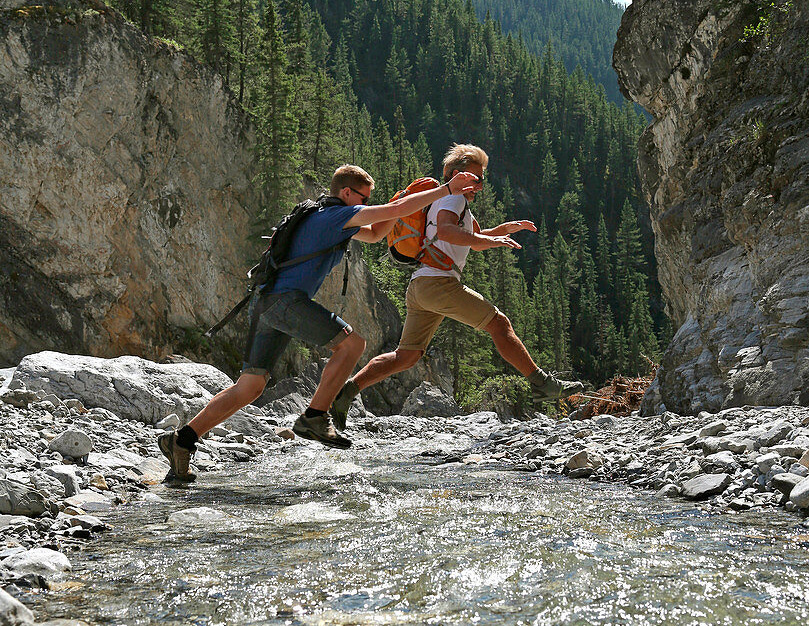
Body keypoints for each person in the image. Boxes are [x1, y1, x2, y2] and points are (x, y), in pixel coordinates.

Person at [158, 163, 480, 480]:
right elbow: (385, 214)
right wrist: (445, 191)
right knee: (352, 344)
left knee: (250, 386)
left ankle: (182, 440)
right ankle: (314, 416)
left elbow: (379, 230)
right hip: (286, 302)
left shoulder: (325, 216)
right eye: (363, 199)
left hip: (267, 302)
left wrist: (401, 204)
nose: (366, 204)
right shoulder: (335, 215)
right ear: (345, 192)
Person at [331, 143, 585, 429]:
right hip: (439, 283)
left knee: (406, 356)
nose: (478, 185)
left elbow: (471, 237)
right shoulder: (454, 200)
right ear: (456, 175)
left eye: (482, 180)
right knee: (499, 325)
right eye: (474, 178)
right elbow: (447, 232)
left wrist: (504, 229)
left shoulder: (447, 201)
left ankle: (347, 391)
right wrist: (491, 241)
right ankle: (543, 384)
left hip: (421, 286)